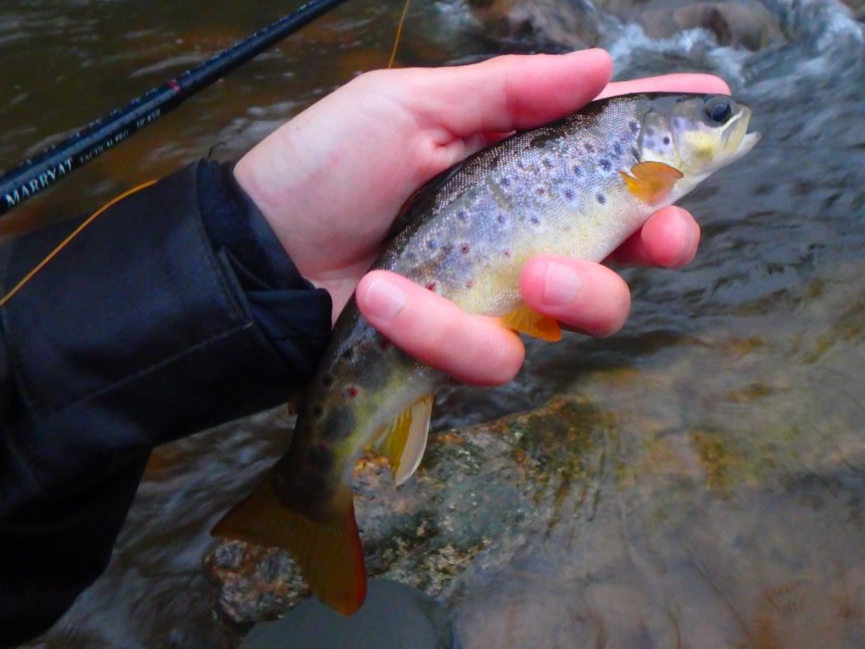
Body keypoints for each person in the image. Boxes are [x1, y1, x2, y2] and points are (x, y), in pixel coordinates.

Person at [0, 48, 728, 645]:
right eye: (715, 120)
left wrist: (254, 246)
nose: (726, 122)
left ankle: (309, 486)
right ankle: (306, 494)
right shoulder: (643, 162)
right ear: (657, 139)